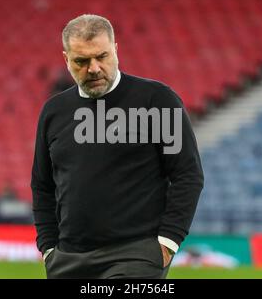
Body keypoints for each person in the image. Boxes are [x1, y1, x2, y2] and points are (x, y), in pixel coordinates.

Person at [31, 14, 204, 279]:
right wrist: (49, 249)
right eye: (81, 61)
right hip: (68, 258)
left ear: (116, 50)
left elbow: (187, 174)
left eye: (102, 56)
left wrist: (168, 242)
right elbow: (42, 184)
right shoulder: (54, 111)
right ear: (66, 60)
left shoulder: (157, 100)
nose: (94, 68)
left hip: (135, 255)